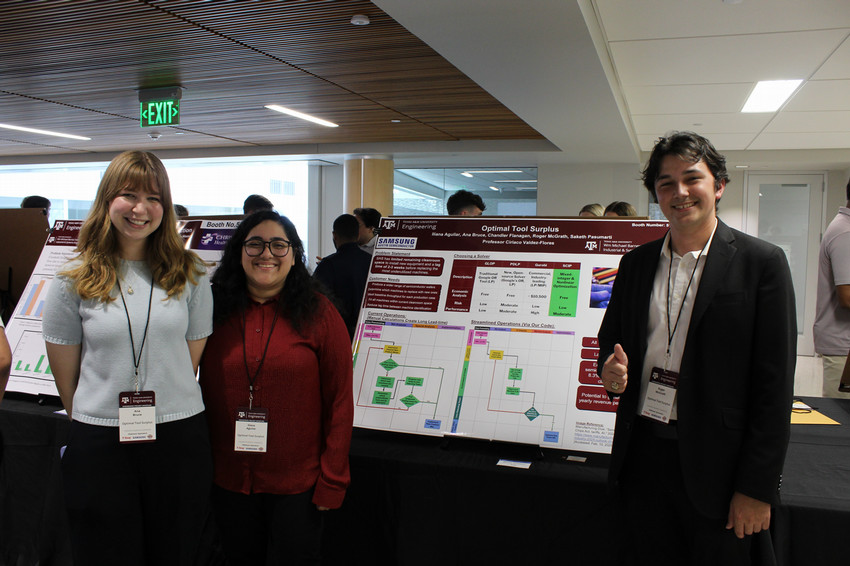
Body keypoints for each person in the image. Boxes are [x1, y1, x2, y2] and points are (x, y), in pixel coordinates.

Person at [597, 131, 796, 565]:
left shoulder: (762, 263)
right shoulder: (635, 264)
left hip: (721, 470)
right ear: (655, 193)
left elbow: (774, 386)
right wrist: (610, 374)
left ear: (718, 185)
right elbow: (609, 343)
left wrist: (757, 487)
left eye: (692, 179)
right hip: (643, 457)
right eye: (666, 183)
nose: (679, 192)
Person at [41, 151, 214, 566]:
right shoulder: (73, 279)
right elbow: (68, 378)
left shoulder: (190, 273)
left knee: (176, 549)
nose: (141, 209)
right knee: (103, 551)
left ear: (165, 207)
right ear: (106, 200)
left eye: (154, 198)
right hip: (101, 438)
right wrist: (99, 411)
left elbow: (187, 359)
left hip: (178, 433)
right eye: (128, 194)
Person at [199, 210, 353, 566]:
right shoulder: (211, 309)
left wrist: (333, 479)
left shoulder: (319, 314)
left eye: (278, 245)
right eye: (255, 244)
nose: (266, 254)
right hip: (227, 480)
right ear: (239, 252)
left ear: (294, 254)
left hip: (298, 485)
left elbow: (340, 401)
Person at [813, 176, 850, 399]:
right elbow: (846, 296)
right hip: (843, 349)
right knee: (843, 426)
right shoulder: (845, 232)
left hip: (842, 346)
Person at [313, 213, 372, 339]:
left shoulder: (327, 265)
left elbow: (314, 302)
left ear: (334, 235)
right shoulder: (372, 262)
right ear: (358, 235)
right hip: (368, 333)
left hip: (337, 334)